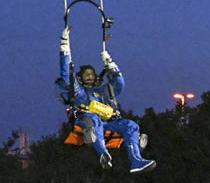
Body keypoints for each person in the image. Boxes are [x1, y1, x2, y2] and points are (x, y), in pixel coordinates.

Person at [57, 26, 155, 173]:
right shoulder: (80, 92)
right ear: (80, 78)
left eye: (92, 74)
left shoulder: (103, 92)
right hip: (87, 120)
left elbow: (119, 84)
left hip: (107, 124)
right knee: (94, 119)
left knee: (131, 125)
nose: (90, 76)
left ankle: (136, 160)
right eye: (86, 75)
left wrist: (110, 63)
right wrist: (64, 45)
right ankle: (103, 154)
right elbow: (66, 75)